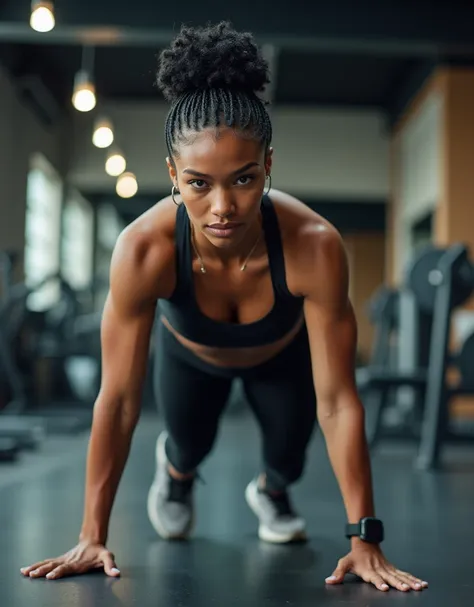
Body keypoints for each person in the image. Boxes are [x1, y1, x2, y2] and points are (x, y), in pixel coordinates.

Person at [21, 22, 428, 593]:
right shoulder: (145, 249)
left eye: (243, 179)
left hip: (279, 360)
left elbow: (338, 401)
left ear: (268, 166)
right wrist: (92, 533)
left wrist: (365, 538)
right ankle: (177, 474)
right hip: (190, 358)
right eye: (197, 183)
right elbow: (115, 402)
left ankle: (272, 490)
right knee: (189, 444)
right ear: (171, 175)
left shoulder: (314, 244)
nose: (222, 208)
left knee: (289, 457)